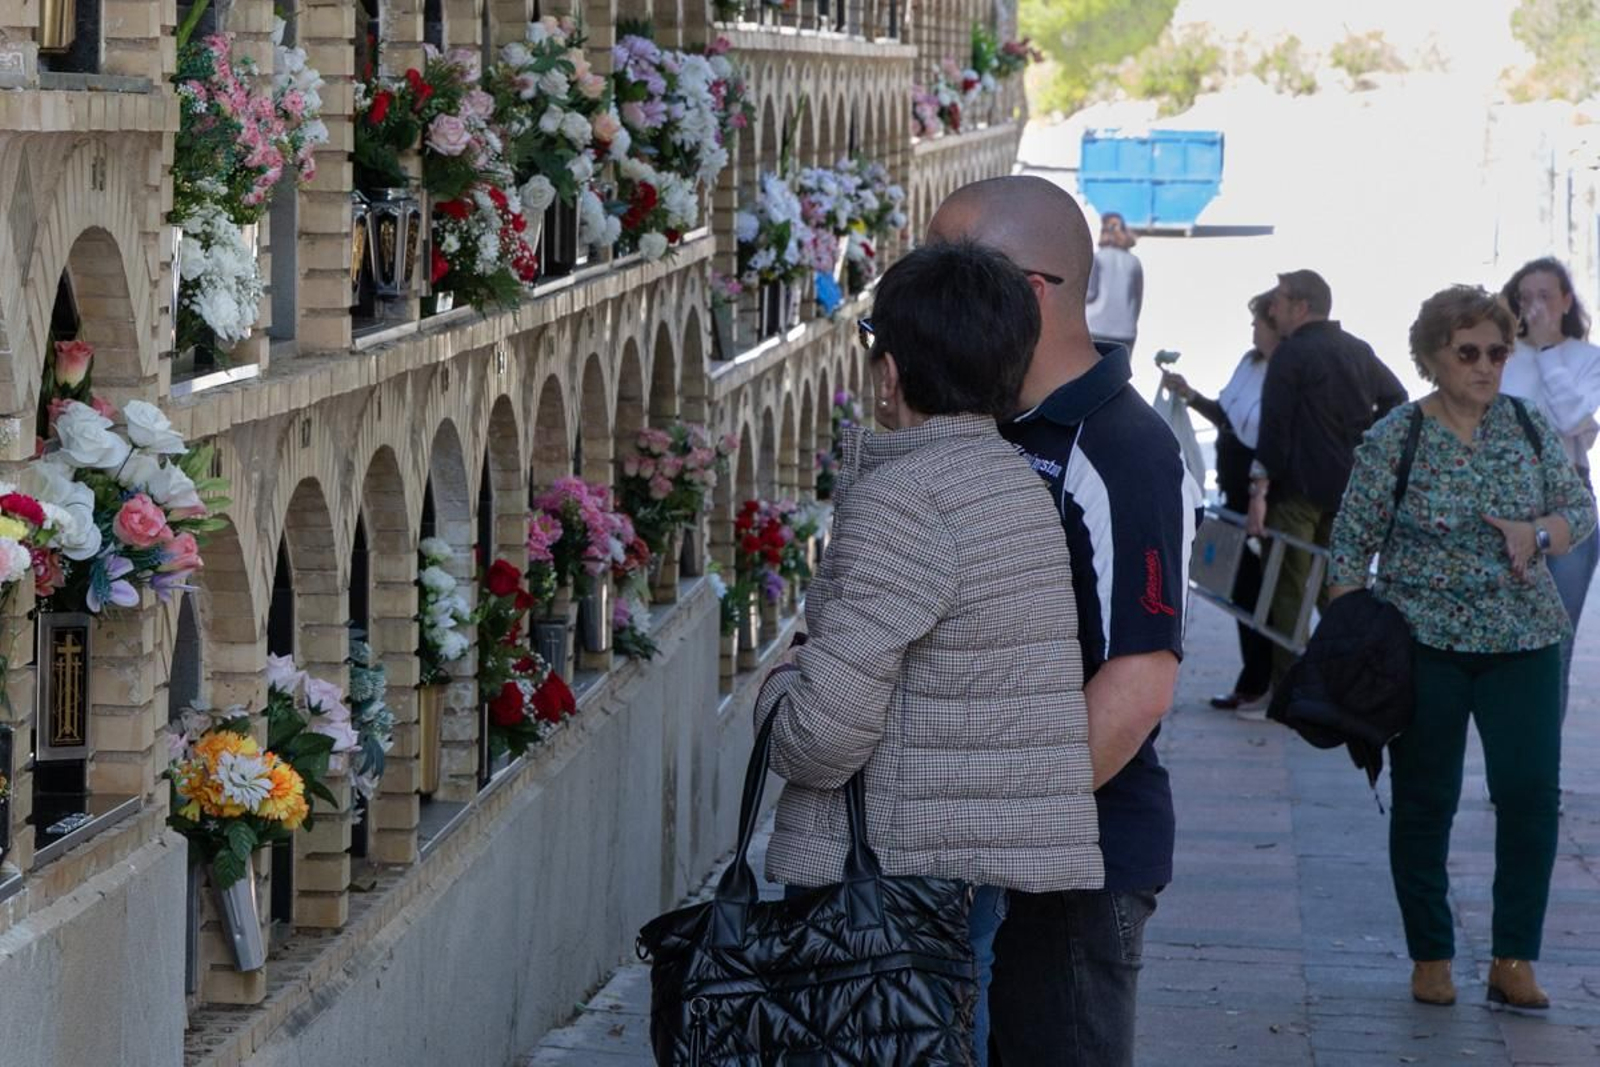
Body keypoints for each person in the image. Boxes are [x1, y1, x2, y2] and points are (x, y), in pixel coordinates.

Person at [752, 240, 1104, 1066]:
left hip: (893, 873)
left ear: (890, 372)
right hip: (961, 861)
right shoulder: (1010, 479)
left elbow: (822, 736)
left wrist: (778, 686)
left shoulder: (908, 500)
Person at [929, 175, 1200, 1067]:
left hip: (1074, 866)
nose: (933, 296)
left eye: (953, 274)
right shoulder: (988, 421)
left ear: (1030, 290)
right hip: (977, 855)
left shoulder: (1122, 449)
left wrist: (996, 829)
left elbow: (1138, 683)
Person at [1326, 285, 1596, 1010]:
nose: (1486, 365)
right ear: (1433, 356)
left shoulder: (1531, 427)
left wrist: (1535, 533)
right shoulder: (1397, 437)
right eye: (1468, 351)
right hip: (1426, 645)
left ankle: (1514, 958)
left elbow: (1581, 509)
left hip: (1525, 640)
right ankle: (1431, 955)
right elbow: (1348, 549)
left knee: (1531, 795)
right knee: (1424, 801)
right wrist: (1355, 639)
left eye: (1498, 351)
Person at [1247, 269, 1407, 686]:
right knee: (1334, 591)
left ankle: (1290, 692)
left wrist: (1260, 491)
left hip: (1296, 493)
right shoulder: (1357, 349)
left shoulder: (1291, 354)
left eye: (1279, 300)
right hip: (1344, 492)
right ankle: (1350, 681)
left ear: (1300, 307)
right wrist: (1366, 444)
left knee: (1289, 592)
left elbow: (1275, 429)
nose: (1272, 308)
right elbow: (1396, 398)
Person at [1163, 290, 1280, 712]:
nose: (1252, 330)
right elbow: (1230, 420)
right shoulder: (1250, 365)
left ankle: (1263, 680)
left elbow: (1272, 437)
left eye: (1257, 322)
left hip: (1261, 495)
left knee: (1259, 590)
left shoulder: (1286, 372)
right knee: (1239, 587)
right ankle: (1257, 677)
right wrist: (1190, 396)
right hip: (1235, 489)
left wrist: (1259, 492)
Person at [1500, 257, 1600, 723]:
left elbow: (1571, 420)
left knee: (1555, 645)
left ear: (1565, 300)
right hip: (1505, 503)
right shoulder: (1500, 357)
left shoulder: (1587, 359)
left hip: (1566, 505)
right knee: (1505, 643)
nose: (1535, 307)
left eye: (1544, 296)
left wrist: (1546, 353)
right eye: (1525, 298)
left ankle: (1542, 775)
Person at [1086, 212, 1144, 356]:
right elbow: (1137, 299)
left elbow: (1090, 294)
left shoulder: (1097, 259)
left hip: (1095, 327)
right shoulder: (1134, 262)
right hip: (1125, 330)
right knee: (1118, 376)